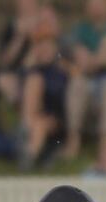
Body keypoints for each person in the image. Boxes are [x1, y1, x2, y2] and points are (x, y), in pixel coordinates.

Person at [64, 0, 106, 172]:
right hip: (86, 81)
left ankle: (105, 148)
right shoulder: (81, 29)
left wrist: (92, 60)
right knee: (77, 84)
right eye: (93, 4)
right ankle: (73, 140)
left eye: (100, 4)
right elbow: (80, 60)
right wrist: (102, 57)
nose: (96, 8)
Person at [19, 13, 71, 169]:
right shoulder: (32, 72)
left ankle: (28, 154)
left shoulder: (62, 70)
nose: (45, 49)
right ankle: (29, 148)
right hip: (37, 118)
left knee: (40, 123)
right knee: (38, 123)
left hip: (57, 122)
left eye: (48, 45)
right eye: (41, 46)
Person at [0, 0, 41, 103]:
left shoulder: (46, 23)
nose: (26, 5)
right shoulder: (10, 28)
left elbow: (57, 53)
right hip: (16, 73)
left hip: (42, 72)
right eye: (22, 1)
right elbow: (5, 60)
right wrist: (19, 36)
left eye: (30, 1)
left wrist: (35, 36)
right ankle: (25, 111)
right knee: (2, 80)